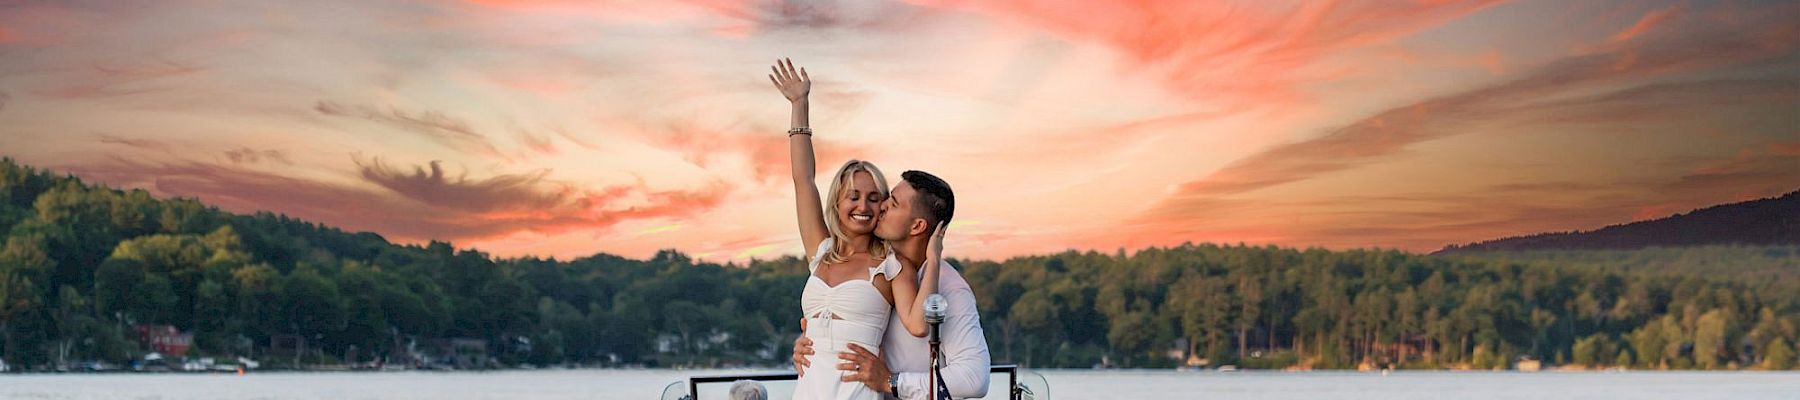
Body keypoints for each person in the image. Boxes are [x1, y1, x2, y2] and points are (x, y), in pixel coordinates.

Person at [774, 58, 948, 400]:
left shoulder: (891, 266)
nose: (863, 207)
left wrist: (935, 258)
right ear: (837, 202)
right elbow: (803, 180)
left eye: (873, 198)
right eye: (853, 196)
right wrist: (800, 106)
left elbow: (917, 325)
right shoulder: (820, 251)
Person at [797, 170, 991, 400]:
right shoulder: (880, 268)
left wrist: (893, 381)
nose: (882, 206)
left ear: (917, 226)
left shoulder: (951, 290)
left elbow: (974, 378)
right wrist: (812, 344)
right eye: (887, 198)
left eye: (894, 203)